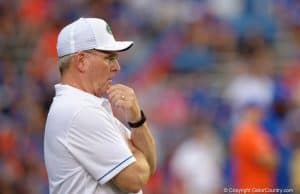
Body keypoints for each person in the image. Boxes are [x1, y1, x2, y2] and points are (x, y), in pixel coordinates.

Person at [44, 17, 157, 194]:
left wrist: (136, 118)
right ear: (81, 61)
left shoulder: (83, 106)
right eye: (109, 58)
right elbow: (136, 179)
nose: (117, 67)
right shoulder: (80, 111)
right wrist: (136, 153)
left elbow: (151, 165)